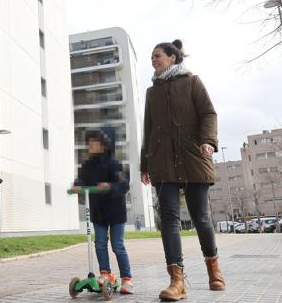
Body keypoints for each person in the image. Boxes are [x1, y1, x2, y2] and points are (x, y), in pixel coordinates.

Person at [140, 40, 225, 301]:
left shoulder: (192, 82)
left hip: (193, 157)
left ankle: (214, 270)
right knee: (169, 220)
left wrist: (208, 142)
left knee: (201, 218)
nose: (153, 60)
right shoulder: (151, 92)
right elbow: (149, 129)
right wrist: (145, 164)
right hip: (162, 162)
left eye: (157, 56)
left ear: (173, 58)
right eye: (151, 57)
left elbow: (209, 114)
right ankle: (177, 280)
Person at [73, 129, 135, 295]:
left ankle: (127, 279)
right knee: (100, 243)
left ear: (104, 145)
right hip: (98, 212)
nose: (90, 144)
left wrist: (110, 186)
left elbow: (124, 184)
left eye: (95, 141)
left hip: (116, 212)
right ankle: (105, 274)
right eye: (89, 142)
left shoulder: (115, 164)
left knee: (118, 245)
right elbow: (80, 179)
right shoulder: (86, 166)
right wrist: (76, 185)